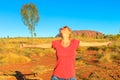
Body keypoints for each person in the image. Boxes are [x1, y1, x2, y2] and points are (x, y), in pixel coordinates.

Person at [20, 26, 111, 80]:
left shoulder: (75, 42)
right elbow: (41, 45)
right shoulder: (56, 43)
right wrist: (26, 45)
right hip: (57, 76)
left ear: (69, 32)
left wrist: (104, 43)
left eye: (65, 28)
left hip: (71, 76)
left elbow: (91, 43)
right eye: (62, 28)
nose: (62, 29)